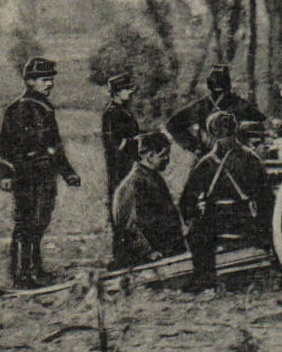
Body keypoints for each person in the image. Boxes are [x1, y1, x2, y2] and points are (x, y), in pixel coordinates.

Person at [0, 56, 81, 286]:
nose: (50, 84)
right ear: (30, 81)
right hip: (26, 176)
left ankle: (35, 270)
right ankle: (22, 275)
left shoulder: (45, 108)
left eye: (50, 79)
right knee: (26, 224)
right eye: (44, 79)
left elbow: (55, 146)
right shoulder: (17, 109)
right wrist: (5, 174)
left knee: (40, 223)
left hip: (45, 176)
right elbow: (5, 146)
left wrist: (68, 172)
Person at [178, 110, 272, 292]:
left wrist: (196, 217)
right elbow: (266, 199)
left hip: (216, 223)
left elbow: (186, 202)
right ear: (235, 130)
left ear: (211, 133)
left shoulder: (205, 163)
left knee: (197, 233)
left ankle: (204, 279)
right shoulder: (251, 159)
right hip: (247, 222)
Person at [111, 133, 186, 267]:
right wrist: (149, 253)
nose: (167, 159)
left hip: (165, 254)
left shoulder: (152, 178)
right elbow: (130, 227)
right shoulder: (134, 183)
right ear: (150, 156)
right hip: (146, 260)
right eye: (163, 154)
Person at [166, 65, 265, 155]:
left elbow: (261, 123)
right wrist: (193, 146)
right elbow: (173, 125)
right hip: (209, 154)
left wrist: (243, 131)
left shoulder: (240, 105)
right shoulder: (201, 106)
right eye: (216, 88)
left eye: (220, 89)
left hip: (236, 155)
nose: (219, 94)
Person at [100, 72, 140, 224]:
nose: (130, 92)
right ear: (117, 92)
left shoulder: (122, 110)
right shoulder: (112, 112)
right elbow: (114, 143)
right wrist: (136, 141)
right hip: (119, 164)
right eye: (127, 89)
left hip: (128, 161)